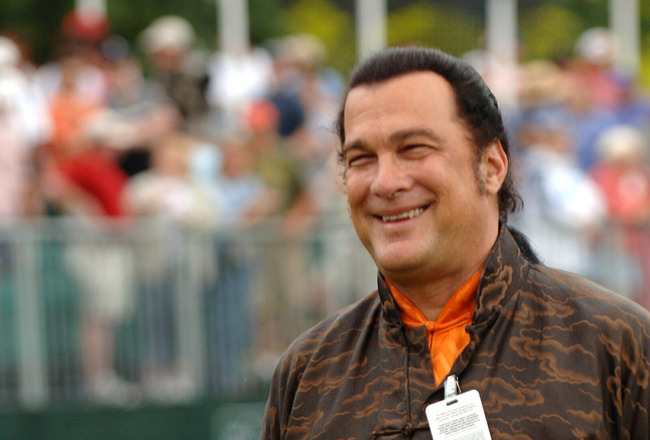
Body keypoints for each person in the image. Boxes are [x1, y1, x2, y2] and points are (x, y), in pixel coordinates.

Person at [259, 46, 650, 439]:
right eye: (361, 158)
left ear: (492, 166)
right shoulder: (308, 373)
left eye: (413, 149)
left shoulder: (615, 345)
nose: (385, 182)